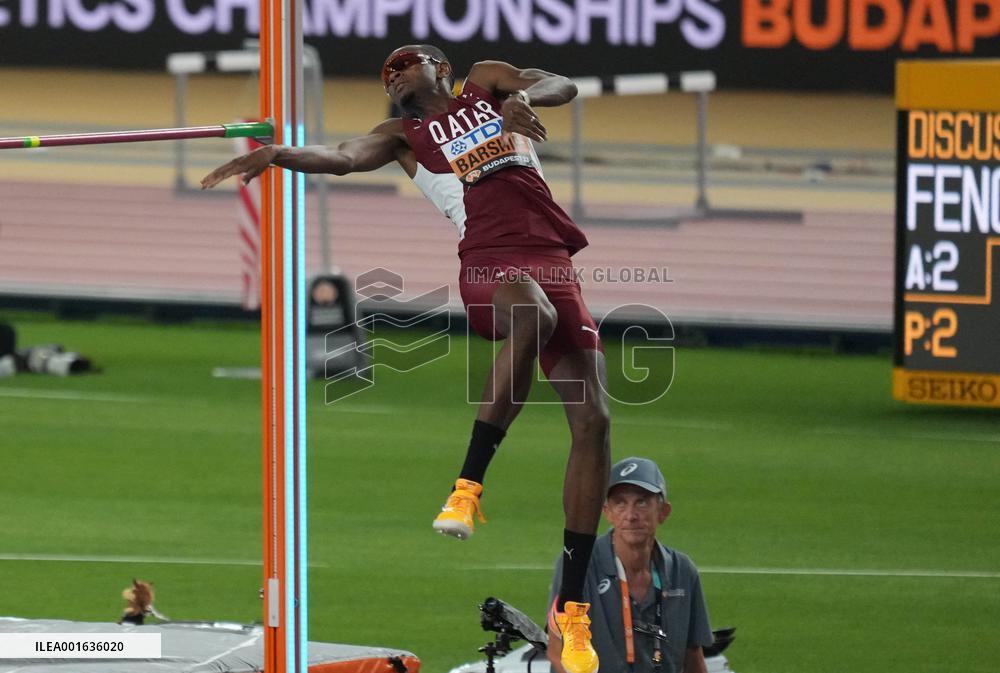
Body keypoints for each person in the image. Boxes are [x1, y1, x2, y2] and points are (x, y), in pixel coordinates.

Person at [201, 44, 610, 673]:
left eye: (406, 64)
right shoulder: (402, 135)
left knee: (594, 423)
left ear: (441, 69)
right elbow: (341, 157)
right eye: (387, 72)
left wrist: (523, 99)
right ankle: (467, 488)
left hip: (554, 257)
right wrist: (281, 155)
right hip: (490, 258)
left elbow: (561, 81)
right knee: (532, 315)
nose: (394, 76)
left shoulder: (489, 84)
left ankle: (573, 614)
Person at [548, 457, 714, 673]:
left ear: (663, 511)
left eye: (642, 502)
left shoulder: (683, 571)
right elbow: (556, 649)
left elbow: (693, 656)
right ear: (606, 511)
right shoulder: (579, 564)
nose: (631, 515)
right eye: (620, 503)